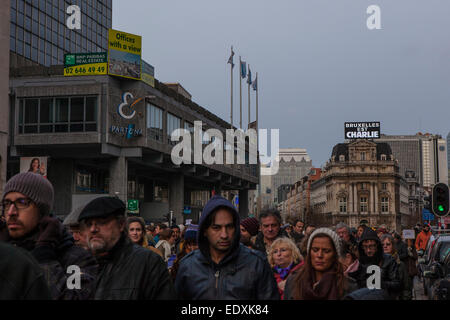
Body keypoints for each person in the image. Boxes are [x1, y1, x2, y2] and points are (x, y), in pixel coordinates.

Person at [0, 172, 97, 300]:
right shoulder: (3, 253)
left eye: (22, 202)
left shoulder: (75, 258)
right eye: (7, 204)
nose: (11, 212)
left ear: (42, 209)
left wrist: (43, 258)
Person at [174, 195, 280, 300]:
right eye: (216, 228)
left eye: (229, 227)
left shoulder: (257, 263)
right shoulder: (188, 265)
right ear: (205, 231)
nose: (224, 235)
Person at [78, 196, 176, 299]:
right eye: (89, 224)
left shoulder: (148, 262)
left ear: (120, 225)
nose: (93, 229)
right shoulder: (80, 263)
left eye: (101, 222)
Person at [284, 228, 358, 300]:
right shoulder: (294, 281)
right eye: (315, 250)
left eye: (326, 251)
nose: (319, 255)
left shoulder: (348, 286)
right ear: (309, 252)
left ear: (335, 254)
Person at [347, 227, 401, 299]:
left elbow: (397, 284)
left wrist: (381, 284)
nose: (368, 250)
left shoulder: (388, 259)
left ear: (377, 245)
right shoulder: (358, 262)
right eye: (365, 247)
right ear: (361, 247)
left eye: (372, 246)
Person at [381, 234, 410, 300]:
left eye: (388, 244)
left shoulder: (400, 264)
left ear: (393, 246)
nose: (385, 246)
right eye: (382, 245)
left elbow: (406, 288)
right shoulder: (377, 263)